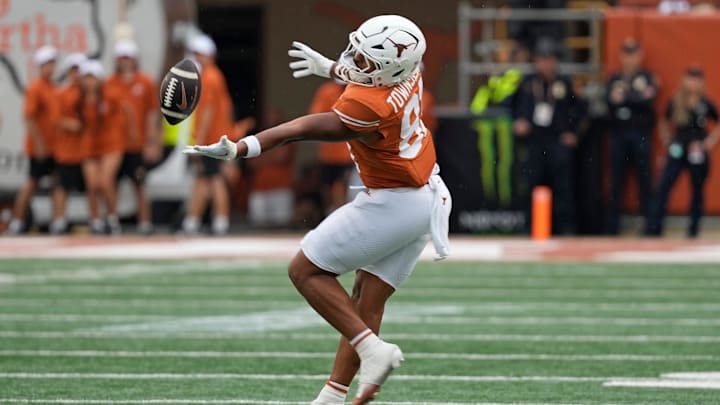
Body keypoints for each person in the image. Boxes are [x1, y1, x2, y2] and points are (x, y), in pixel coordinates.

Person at [184, 15, 451, 404]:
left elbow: (299, 129)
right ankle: (332, 396)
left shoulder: (367, 105)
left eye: (363, 60)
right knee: (365, 299)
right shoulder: (406, 74)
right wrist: (328, 66)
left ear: (385, 69)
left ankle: (372, 349)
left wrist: (241, 148)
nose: (354, 61)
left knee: (305, 270)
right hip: (426, 195)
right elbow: (368, 75)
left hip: (396, 200)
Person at [512, 37, 580, 235]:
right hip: (534, 140)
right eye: (542, 59)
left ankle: (565, 229)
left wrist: (572, 133)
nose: (546, 64)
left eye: (550, 59)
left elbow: (579, 111)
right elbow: (512, 107)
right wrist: (519, 122)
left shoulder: (565, 85)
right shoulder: (526, 84)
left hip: (557, 141)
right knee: (531, 184)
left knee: (563, 188)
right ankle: (529, 227)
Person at [646, 66, 720, 238]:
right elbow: (664, 121)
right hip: (678, 149)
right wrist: (667, 141)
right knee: (663, 186)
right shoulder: (676, 101)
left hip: (697, 151)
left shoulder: (706, 103)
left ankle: (693, 231)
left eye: (697, 79)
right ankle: (654, 229)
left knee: (697, 191)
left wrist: (710, 141)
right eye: (690, 78)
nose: (693, 82)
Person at [106, 39, 162, 235]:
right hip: (115, 143)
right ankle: (113, 221)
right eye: (122, 57)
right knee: (111, 183)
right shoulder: (109, 83)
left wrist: (151, 141)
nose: (125, 61)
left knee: (139, 183)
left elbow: (152, 113)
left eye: (128, 57)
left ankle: (145, 223)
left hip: (136, 144)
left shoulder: (145, 82)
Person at [181, 34, 235, 236]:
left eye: (198, 54)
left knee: (212, 179)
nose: (196, 57)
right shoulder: (214, 75)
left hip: (212, 137)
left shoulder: (209, 77)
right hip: (217, 136)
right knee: (208, 179)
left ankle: (210, 221)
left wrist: (199, 141)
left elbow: (208, 111)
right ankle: (201, 221)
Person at [605, 38, 658, 235]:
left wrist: (625, 99)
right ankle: (612, 229)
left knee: (645, 182)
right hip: (618, 134)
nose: (630, 59)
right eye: (626, 54)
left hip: (641, 134)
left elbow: (647, 100)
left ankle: (651, 228)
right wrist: (635, 97)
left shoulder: (647, 77)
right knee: (616, 183)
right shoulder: (614, 78)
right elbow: (609, 101)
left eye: (633, 54)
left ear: (640, 56)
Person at [6, 46, 60, 235]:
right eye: (47, 64)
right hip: (41, 148)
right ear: (40, 66)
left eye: (53, 63)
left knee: (56, 185)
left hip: (54, 147)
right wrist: (39, 144)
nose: (51, 67)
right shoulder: (36, 88)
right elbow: (29, 117)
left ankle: (57, 222)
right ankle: (17, 222)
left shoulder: (53, 88)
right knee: (31, 184)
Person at [80, 60, 137, 235]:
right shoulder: (78, 98)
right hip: (90, 145)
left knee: (105, 181)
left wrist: (131, 132)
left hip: (111, 144)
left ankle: (112, 218)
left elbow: (128, 109)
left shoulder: (110, 95)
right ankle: (95, 219)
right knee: (92, 184)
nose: (90, 82)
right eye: (87, 78)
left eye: (93, 77)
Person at [48, 52, 87, 234]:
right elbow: (55, 118)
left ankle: (95, 219)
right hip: (68, 149)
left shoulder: (91, 93)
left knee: (93, 186)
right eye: (73, 70)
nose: (77, 74)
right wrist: (72, 125)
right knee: (63, 186)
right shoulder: (62, 93)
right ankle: (59, 219)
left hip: (88, 150)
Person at [308, 79, 353, 214]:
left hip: (349, 155)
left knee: (342, 188)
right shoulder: (328, 90)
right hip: (328, 154)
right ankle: (333, 214)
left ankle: (342, 215)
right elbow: (316, 116)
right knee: (327, 189)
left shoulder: (357, 89)